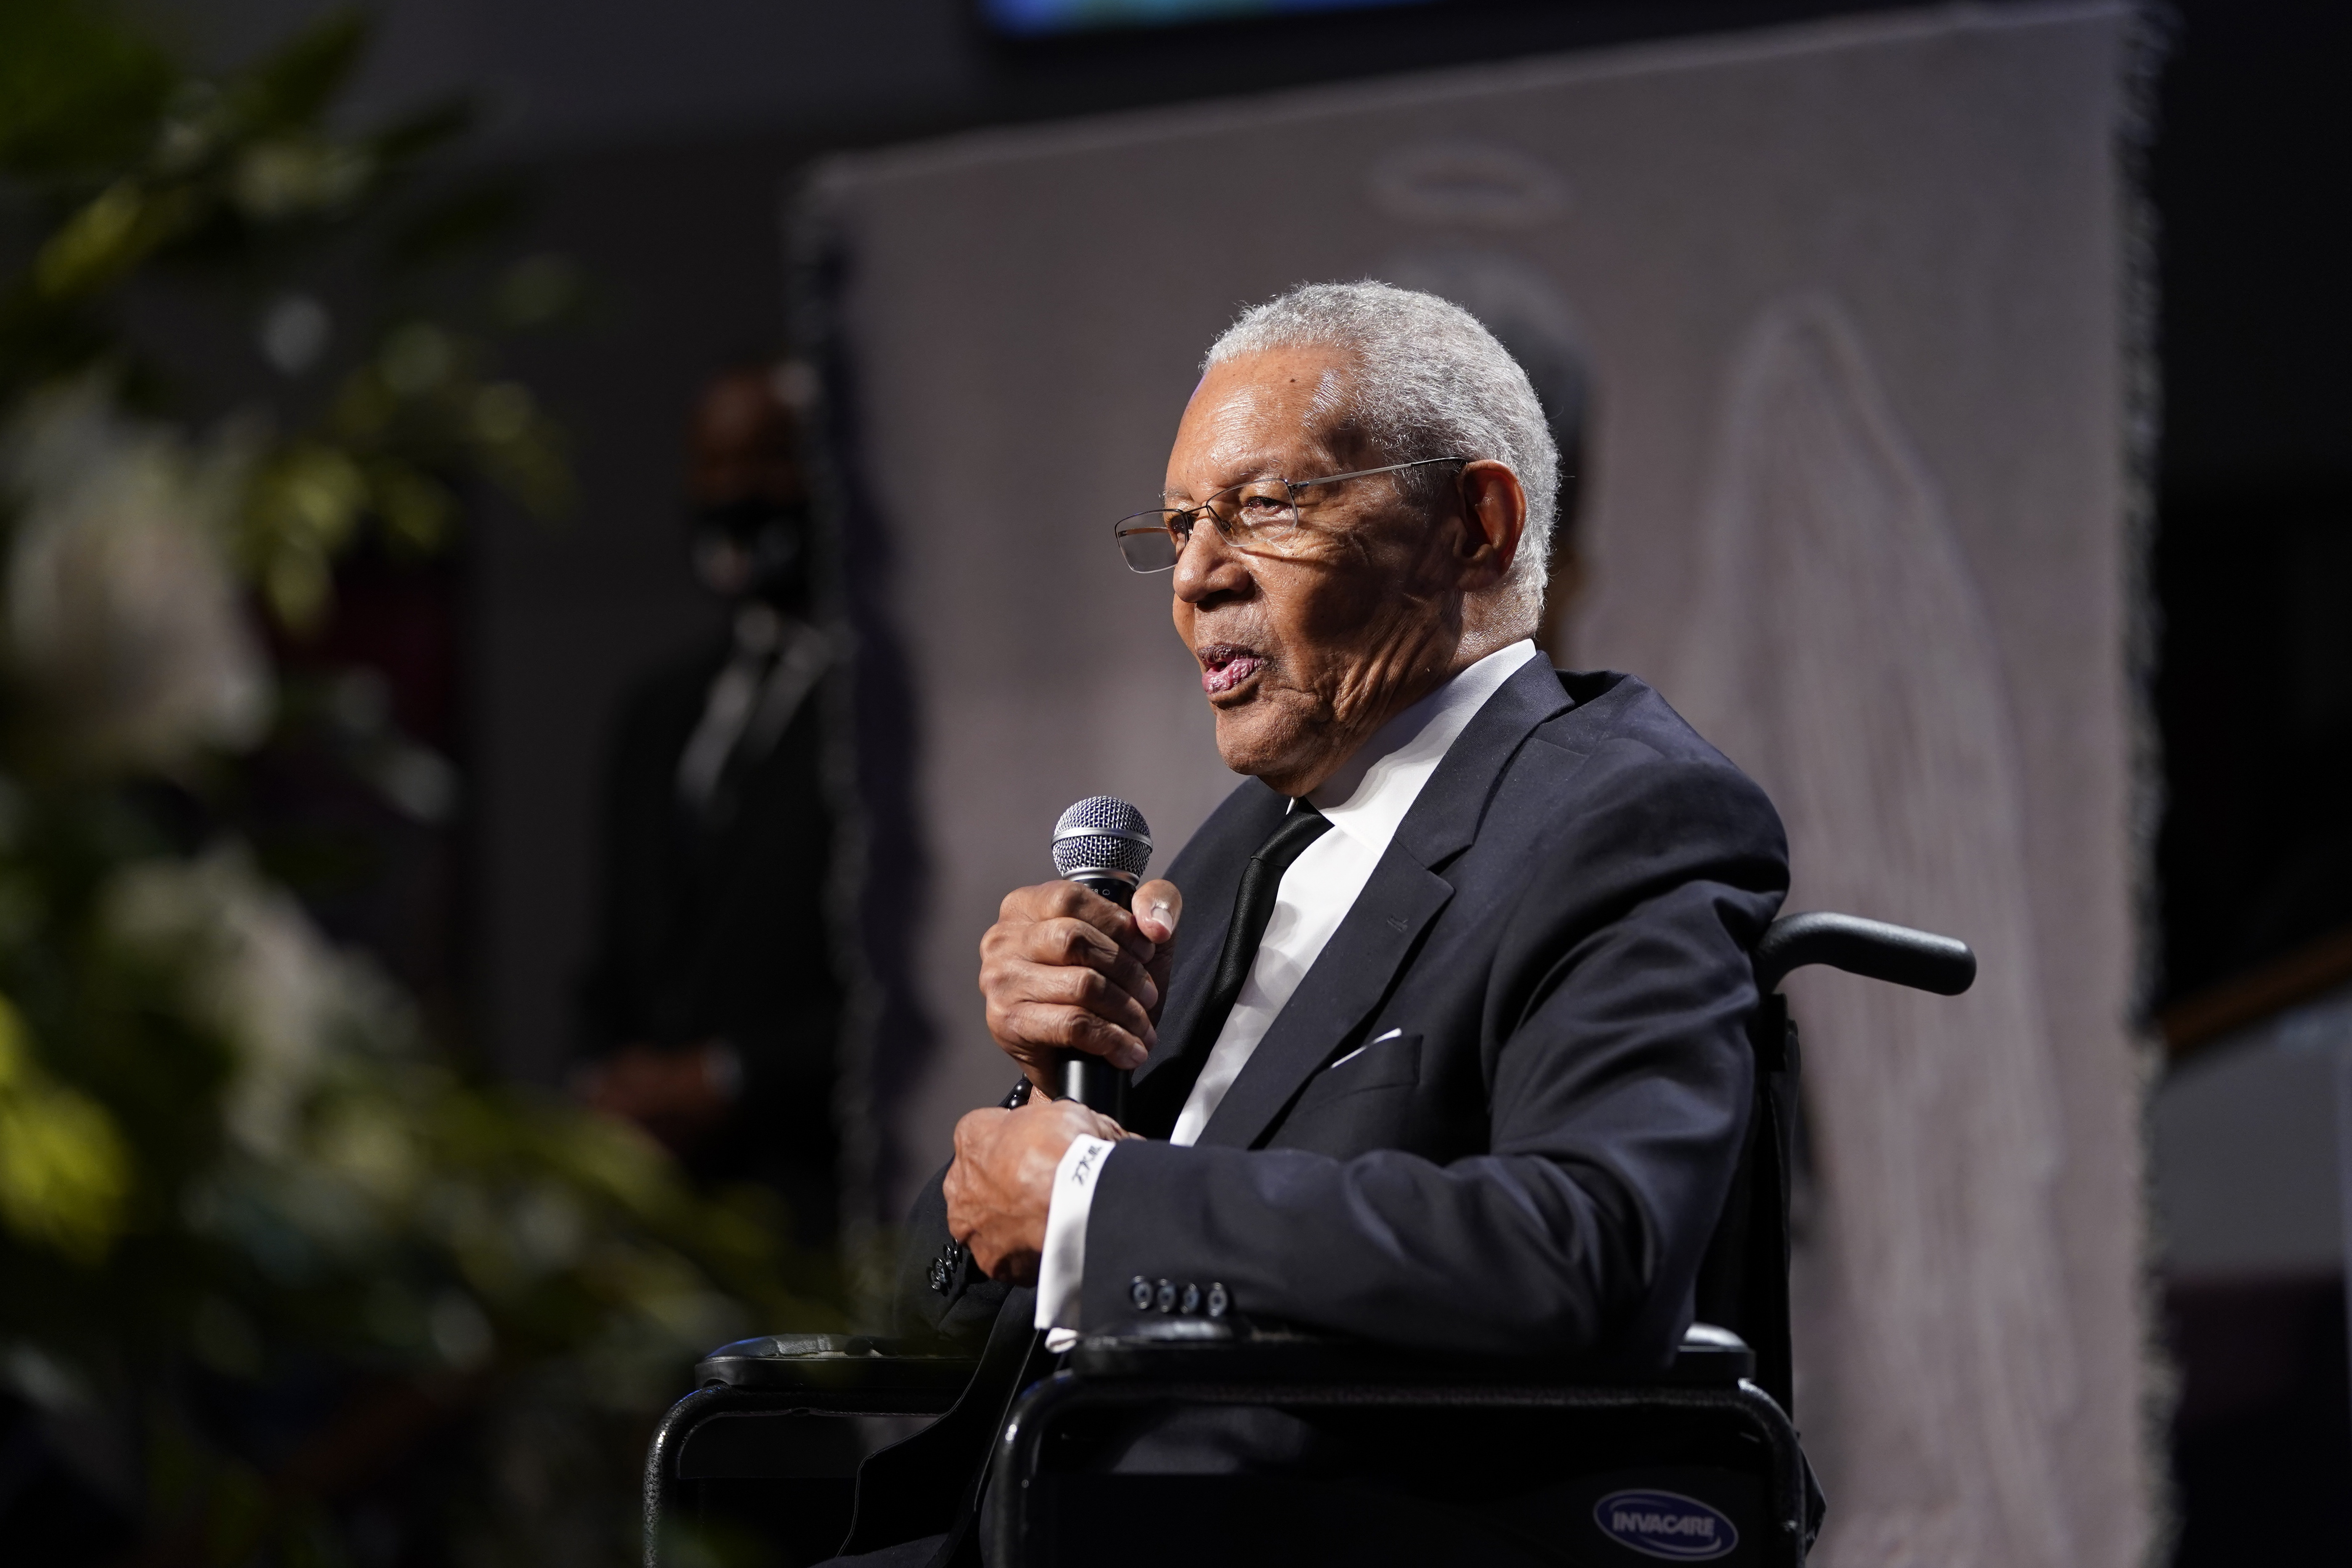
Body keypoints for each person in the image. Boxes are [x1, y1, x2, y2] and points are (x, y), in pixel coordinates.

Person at [851, 282, 1786, 1562]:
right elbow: (927, 1323)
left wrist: (1091, 1205)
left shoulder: (1623, 814)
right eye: (1177, 527)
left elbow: (1586, 1254)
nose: (1194, 578)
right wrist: (1037, 1108)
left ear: (1474, 526)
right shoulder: (1240, 849)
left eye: (1262, 507)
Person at [574, 363, 844, 1250]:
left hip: (813, 1204)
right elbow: (621, 950)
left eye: (767, 461)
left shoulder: (881, 716)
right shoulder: (658, 711)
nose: (734, 494)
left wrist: (727, 1077)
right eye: (712, 467)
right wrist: (613, 1088)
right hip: (648, 1217)